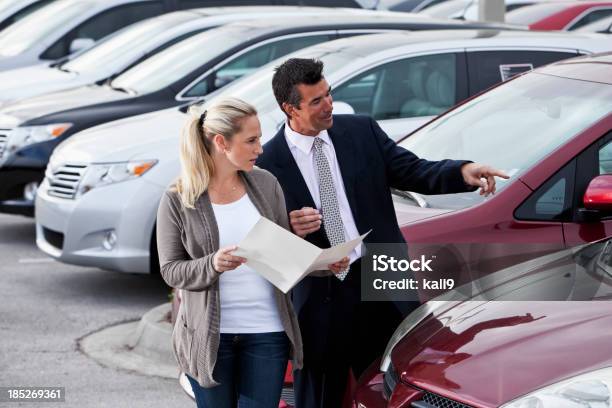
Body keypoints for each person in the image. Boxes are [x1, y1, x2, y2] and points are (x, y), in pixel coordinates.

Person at [256, 58, 509, 408]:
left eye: (328, 94)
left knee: (390, 388)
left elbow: (414, 170)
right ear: (290, 109)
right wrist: (288, 225)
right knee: (318, 395)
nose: (328, 105)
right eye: (316, 101)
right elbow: (260, 240)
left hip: (379, 281)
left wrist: (462, 170)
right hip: (320, 295)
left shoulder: (361, 131)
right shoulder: (267, 163)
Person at [156, 97, 347, 408]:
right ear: (221, 142)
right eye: (251, 140)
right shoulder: (179, 198)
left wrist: (323, 264)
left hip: (267, 332)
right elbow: (171, 270)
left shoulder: (266, 184)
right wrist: (213, 264)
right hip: (209, 338)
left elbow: (280, 253)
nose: (260, 148)